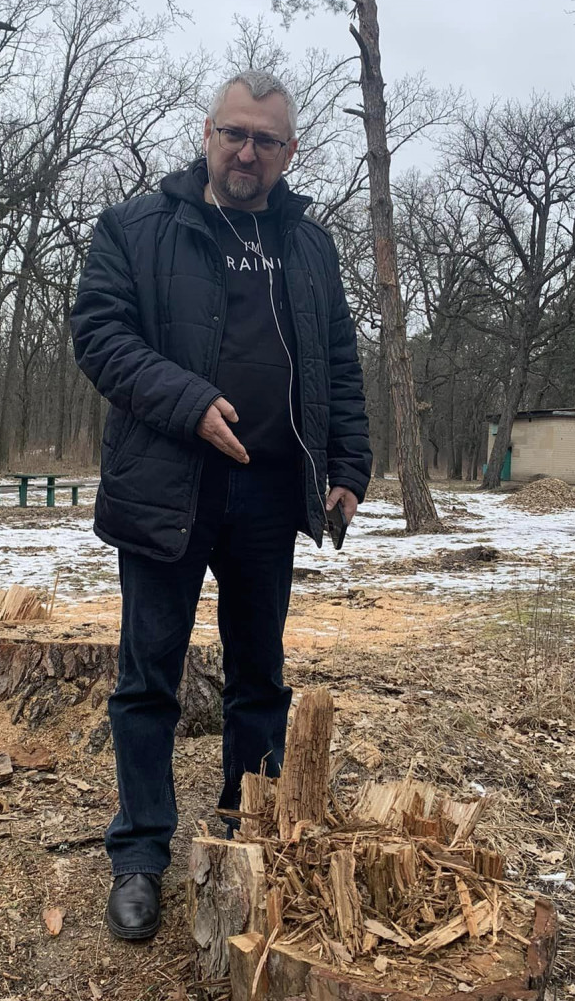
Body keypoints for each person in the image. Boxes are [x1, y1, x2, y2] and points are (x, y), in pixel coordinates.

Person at [70, 69, 372, 940]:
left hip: (272, 493)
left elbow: (338, 365)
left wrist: (348, 463)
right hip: (169, 486)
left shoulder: (310, 247)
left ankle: (245, 836)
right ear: (207, 134)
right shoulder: (137, 227)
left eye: (265, 140)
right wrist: (189, 401)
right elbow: (99, 335)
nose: (247, 153)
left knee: (258, 680)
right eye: (233, 134)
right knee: (148, 677)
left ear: (289, 151)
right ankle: (139, 853)